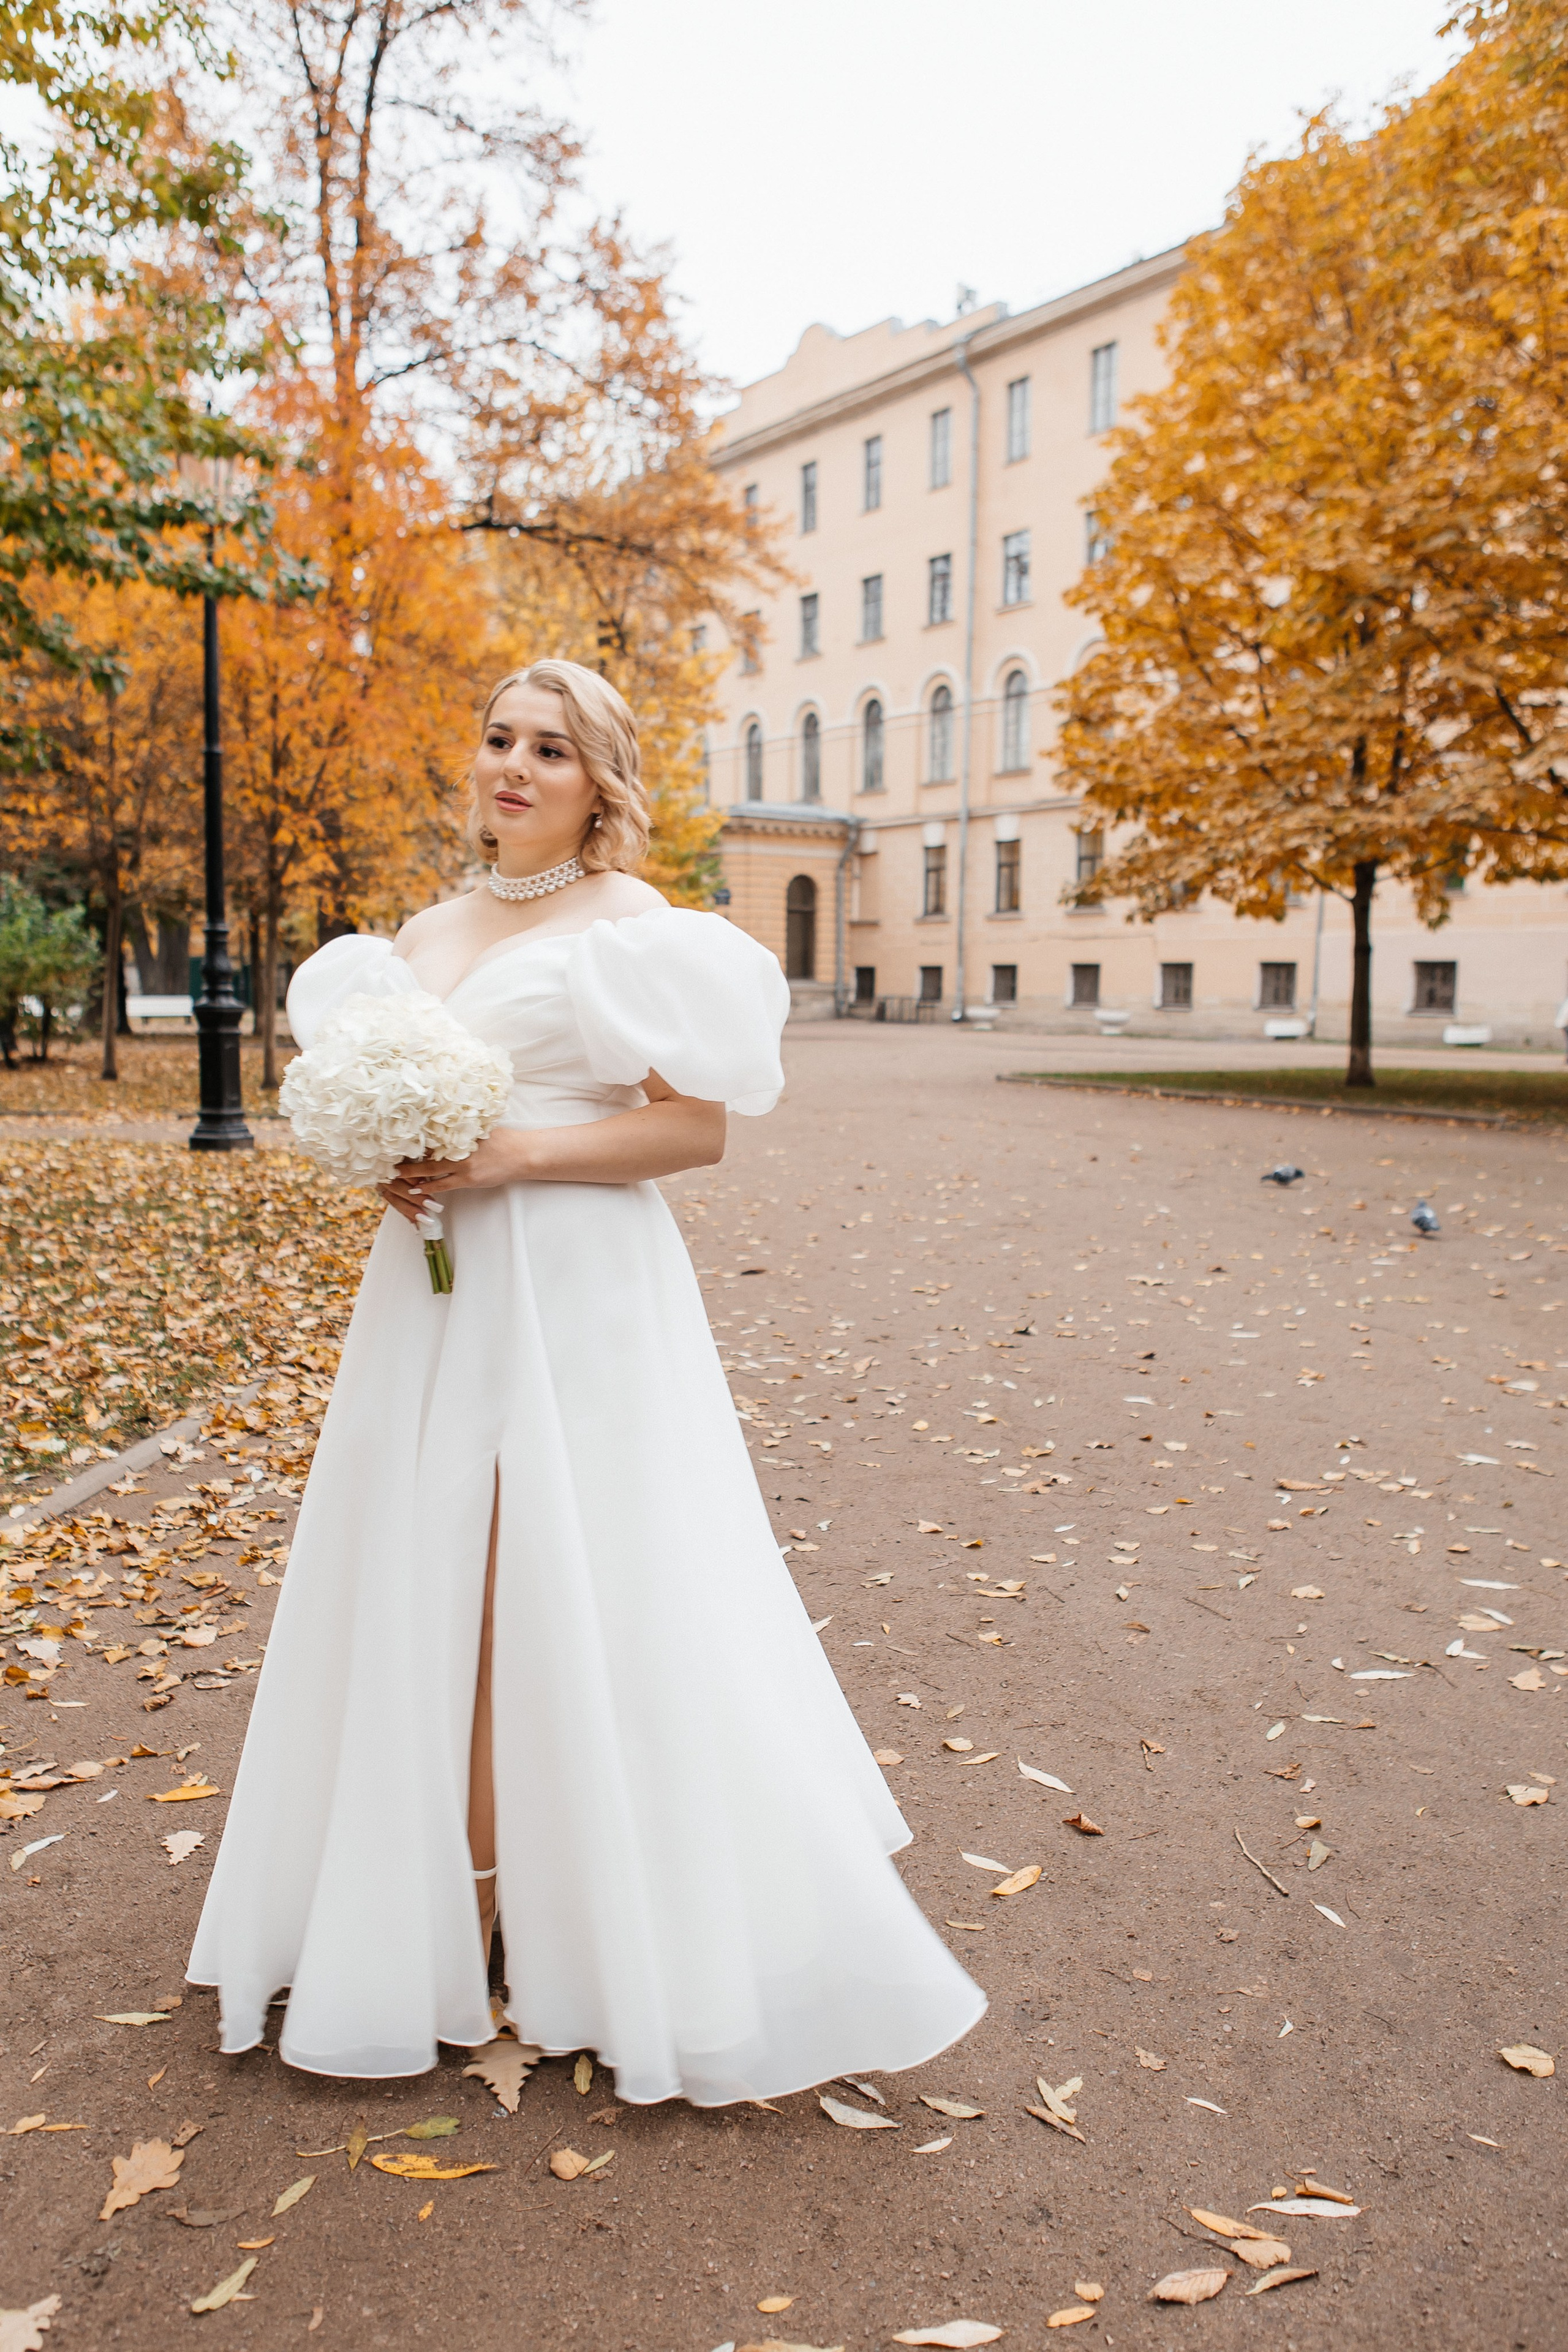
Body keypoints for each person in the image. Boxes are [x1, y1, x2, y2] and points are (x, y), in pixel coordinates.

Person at [188, 658, 984, 2103]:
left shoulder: (637, 928)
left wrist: (514, 1155)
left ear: (597, 781)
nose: (514, 765)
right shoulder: (421, 934)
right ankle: (424, 1901)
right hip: (432, 1294)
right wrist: (392, 1163)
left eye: (550, 749)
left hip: (580, 1287)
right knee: (427, 1573)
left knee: (554, 1579)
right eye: (499, 738)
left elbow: (694, 1133)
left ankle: (543, 1906)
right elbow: (401, 1107)